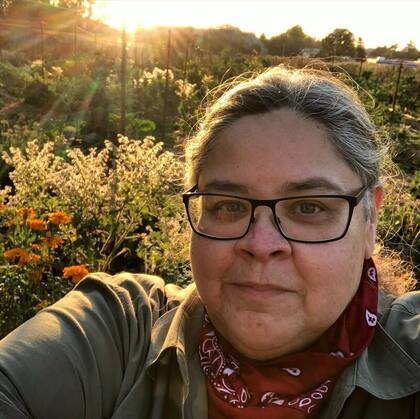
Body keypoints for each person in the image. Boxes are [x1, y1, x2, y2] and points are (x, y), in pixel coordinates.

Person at [0, 66, 418, 419]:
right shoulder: (120, 332)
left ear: (370, 221)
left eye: (309, 207)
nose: (260, 243)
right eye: (228, 206)